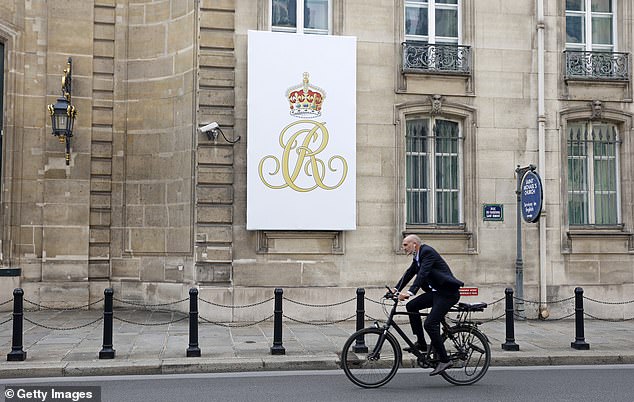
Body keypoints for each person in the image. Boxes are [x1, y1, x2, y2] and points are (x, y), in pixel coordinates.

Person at [393, 234, 464, 376]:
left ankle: (444, 360)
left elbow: (422, 274)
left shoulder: (427, 252)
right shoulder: (417, 256)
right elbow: (410, 273)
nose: (403, 247)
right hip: (437, 293)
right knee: (411, 306)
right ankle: (421, 343)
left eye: (406, 245)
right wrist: (396, 289)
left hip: (447, 294)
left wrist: (410, 292)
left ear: (415, 244)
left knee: (430, 324)